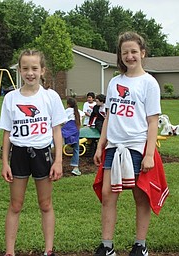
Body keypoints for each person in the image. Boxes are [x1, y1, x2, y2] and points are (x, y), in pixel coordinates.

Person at [93, 31, 168, 256]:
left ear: (142, 53)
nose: (130, 56)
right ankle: (107, 246)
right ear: (120, 55)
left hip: (137, 145)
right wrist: (100, 145)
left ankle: (140, 244)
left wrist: (148, 154)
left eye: (134, 51)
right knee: (108, 194)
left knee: (140, 194)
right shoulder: (115, 82)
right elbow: (109, 117)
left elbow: (153, 121)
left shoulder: (149, 83)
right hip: (114, 147)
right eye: (125, 52)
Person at [0, 49, 67, 256]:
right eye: (26, 68)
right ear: (19, 70)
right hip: (19, 154)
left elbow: (57, 131)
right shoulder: (11, 98)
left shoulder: (50, 97)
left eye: (34, 68)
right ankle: (9, 251)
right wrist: (4, 162)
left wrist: (58, 161)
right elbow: (6, 134)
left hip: (42, 154)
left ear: (42, 70)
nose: (30, 73)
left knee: (46, 204)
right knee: (15, 205)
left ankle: (48, 250)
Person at [61, 97, 85, 176]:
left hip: (66, 132)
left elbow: (62, 120)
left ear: (68, 104)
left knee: (57, 147)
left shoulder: (66, 111)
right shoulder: (78, 112)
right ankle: (75, 168)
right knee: (76, 149)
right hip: (75, 132)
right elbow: (83, 114)